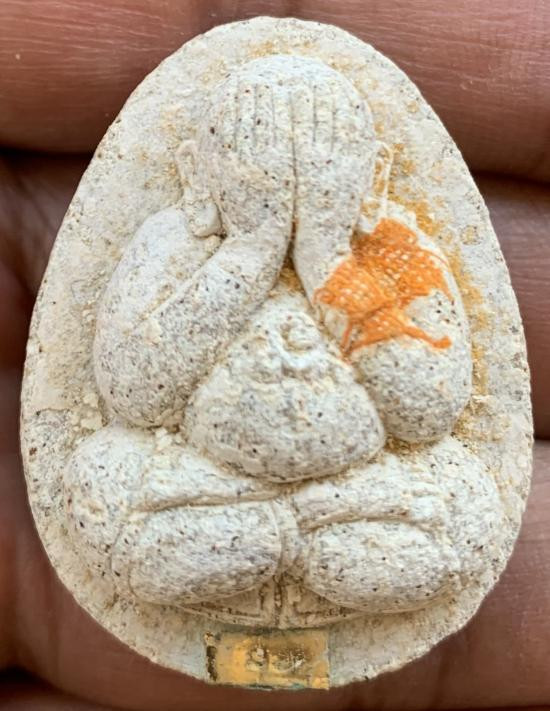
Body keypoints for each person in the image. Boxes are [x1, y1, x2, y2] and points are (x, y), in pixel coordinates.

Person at [0, 1, 548, 708]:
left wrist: (327, 264)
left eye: (321, 161)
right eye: (255, 161)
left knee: (466, 496)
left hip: (358, 490)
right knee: (100, 476)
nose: (289, 184)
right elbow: (133, 395)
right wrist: (249, 255)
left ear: (375, 179)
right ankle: (267, 547)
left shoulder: (396, 247)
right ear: (197, 175)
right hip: (204, 483)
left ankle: (281, 548)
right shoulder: (172, 242)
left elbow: (428, 411)